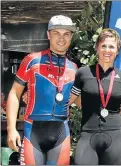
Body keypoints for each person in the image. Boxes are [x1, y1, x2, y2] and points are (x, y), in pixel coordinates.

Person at [6, 15, 78, 165]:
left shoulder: (74, 68)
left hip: (61, 133)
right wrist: (11, 129)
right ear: (48, 35)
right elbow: (14, 93)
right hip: (33, 132)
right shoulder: (32, 60)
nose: (61, 38)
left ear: (71, 37)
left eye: (66, 34)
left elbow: (77, 100)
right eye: (56, 33)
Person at [69, 28, 121, 165]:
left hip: (114, 138)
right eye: (103, 46)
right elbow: (69, 100)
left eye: (111, 47)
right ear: (97, 48)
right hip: (88, 135)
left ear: (117, 51)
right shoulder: (83, 73)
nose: (107, 50)